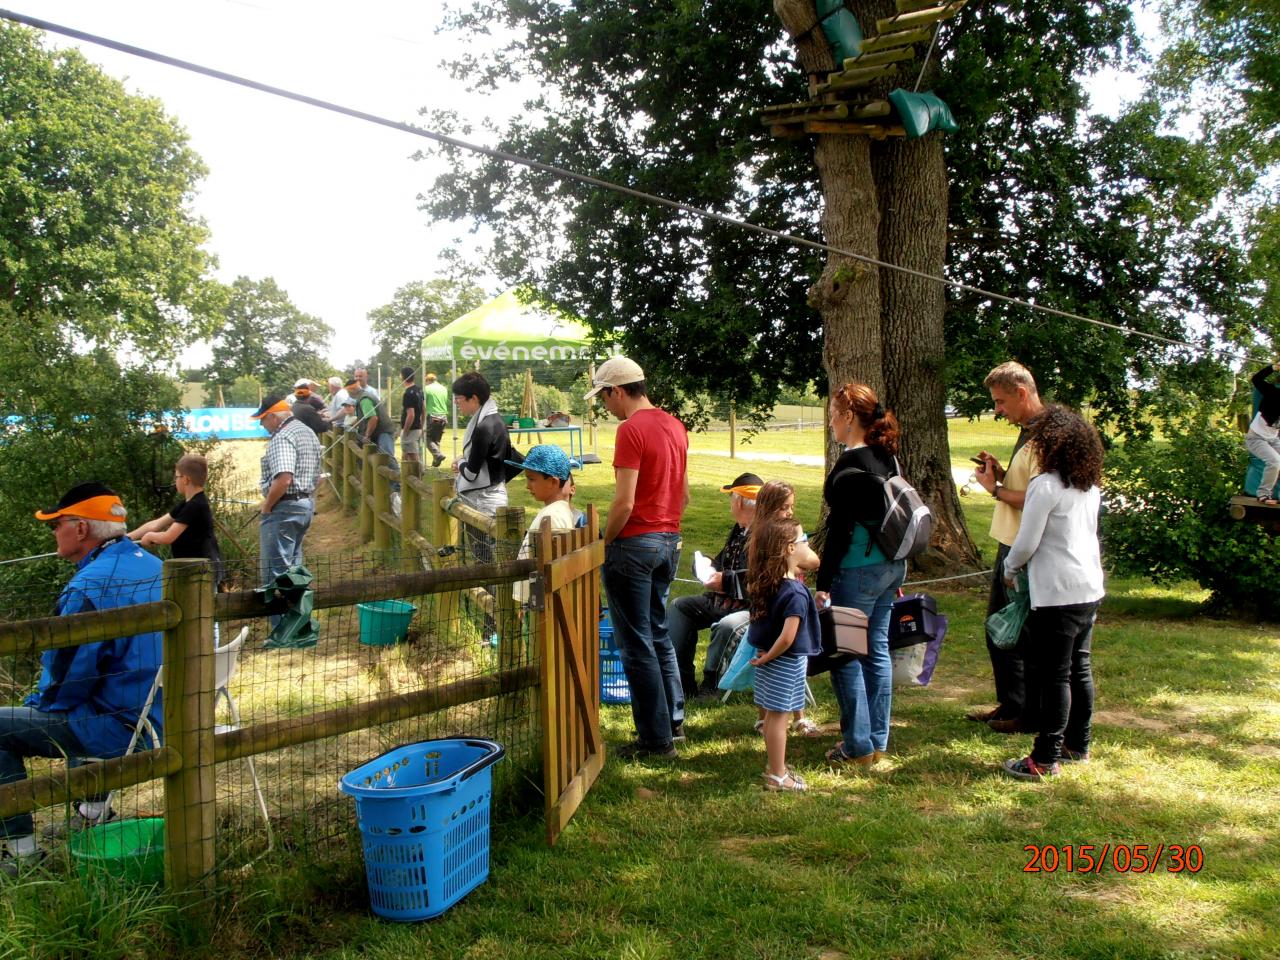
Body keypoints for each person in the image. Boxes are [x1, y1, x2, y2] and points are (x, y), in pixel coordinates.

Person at [1, 483, 163, 874]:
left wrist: (35, 708)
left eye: (56, 524)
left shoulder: (88, 586)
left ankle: (21, 853)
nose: (53, 532)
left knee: (10, 723)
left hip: (122, 728)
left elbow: (64, 683)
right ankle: (92, 814)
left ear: (80, 529)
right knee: (88, 701)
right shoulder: (155, 566)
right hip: (166, 717)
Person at [585, 356, 688, 759]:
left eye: (604, 398)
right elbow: (682, 491)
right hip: (669, 540)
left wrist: (605, 543)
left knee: (636, 644)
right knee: (658, 633)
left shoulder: (631, 430)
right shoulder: (674, 424)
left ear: (618, 391)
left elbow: (624, 503)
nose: (605, 407)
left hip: (635, 544)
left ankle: (655, 741)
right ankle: (673, 723)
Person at [1000, 405, 1105, 780]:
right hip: (1088, 586)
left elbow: (1026, 542)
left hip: (1058, 593)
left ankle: (1044, 758)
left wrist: (1010, 568)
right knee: (1080, 668)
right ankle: (1078, 743)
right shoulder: (1088, 485)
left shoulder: (1045, 486)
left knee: (1054, 675)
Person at [816, 382, 907, 768]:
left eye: (834, 416)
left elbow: (839, 532)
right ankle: (876, 739)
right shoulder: (887, 458)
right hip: (890, 565)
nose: (831, 423)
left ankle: (857, 746)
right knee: (878, 650)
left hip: (857, 570)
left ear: (849, 416)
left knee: (846, 654)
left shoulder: (851, 466)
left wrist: (822, 584)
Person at [969, 361, 1046, 733]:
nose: (998, 410)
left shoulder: (1046, 435)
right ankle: (1012, 703)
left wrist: (995, 491)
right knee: (998, 628)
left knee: (1018, 632)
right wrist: (1000, 475)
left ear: (1021, 392)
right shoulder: (1027, 431)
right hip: (1008, 542)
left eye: (1001, 402)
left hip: (1023, 548)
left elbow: (1039, 495)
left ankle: (1026, 711)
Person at [667, 471, 760, 700]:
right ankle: (681, 681)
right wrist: (707, 564)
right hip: (722, 601)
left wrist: (725, 581)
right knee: (680, 607)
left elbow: (763, 579)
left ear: (739, 501)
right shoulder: (740, 529)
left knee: (728, 625)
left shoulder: (766, 533)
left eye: (731, 498)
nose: (730, 504)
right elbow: (723, 562)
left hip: (753, 609)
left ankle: (712, 685)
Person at [746, 516, 823, 792]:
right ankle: (779, 775)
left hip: (767, 658)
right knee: (780, 718)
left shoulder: (766, 583)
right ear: (790, 549)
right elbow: (789, 636)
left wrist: (765, 656)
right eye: (803, 540)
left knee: (771, 717)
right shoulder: (796, 592)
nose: (807, 545)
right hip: (783, 662)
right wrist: (769, 657)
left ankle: (774, 767)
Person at [251, 396, 322, 595]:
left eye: (262, 419)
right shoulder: (307, 432)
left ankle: (282, 624)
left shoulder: (282, 437)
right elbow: (318, 478)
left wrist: (267, 506)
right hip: (305, 504)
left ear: (272, 417)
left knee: (276, 578)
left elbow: (284, 479)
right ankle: (297, 622)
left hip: (284, 509)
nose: (261, 425)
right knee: (293, 572)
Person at [127, 454, 225, 591]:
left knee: (201, 608)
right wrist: (127, 537)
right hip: (191, 569)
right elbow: (156, 524)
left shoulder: (196, 505)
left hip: (202, 570)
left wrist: (150, 536)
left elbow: (168, 536)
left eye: (177, 476)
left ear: (185, 479)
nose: (175, 480)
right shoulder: (187, 504)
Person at [505, 444, 581, 605]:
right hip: (537, 602)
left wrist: (532, 604)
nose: (527, 486)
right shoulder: (554, 511)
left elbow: (550, 570)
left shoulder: (552, 517)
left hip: (540, 605)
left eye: (532, 479)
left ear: (553, 481)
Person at [451, 371, 512, 523]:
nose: (455, 403)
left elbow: (471, 474)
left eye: (458, 399)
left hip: (483, 503)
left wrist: (459, 462)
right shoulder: (495, 419)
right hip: (494, 495)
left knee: (483, 547)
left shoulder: (483, 427)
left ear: (474, 398)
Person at [349, 378, 400, 502]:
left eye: (348, 391)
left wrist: (366, 435)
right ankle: (388, 487)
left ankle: (398, 486)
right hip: (380, 431)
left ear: (352, 389)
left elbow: (373, 418)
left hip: (383, 431)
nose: (348, 394)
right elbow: (364, 417)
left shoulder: (364, 399)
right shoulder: (363, 397)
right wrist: (353, 425)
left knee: (387, 456)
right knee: (381, 459)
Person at [1245, 359, 1280, 504]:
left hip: (1273, 439)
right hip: (1256, 438)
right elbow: (1256, 379)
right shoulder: (1272, 392)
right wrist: (1273, 367)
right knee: (1275, 461)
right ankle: (1263, 494)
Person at [423, 371, 450, 468]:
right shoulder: (444, 389)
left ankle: (438, 455)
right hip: (443, 416)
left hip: (433, 416)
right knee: (436, 440)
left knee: (426, 438)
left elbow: (424, 405)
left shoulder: (426, 389)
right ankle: (435, 464)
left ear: (427, 380)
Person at [400, 366, 425, 464]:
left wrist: (405, 431)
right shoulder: (419, 390)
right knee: (407, 454)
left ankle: (417, 474)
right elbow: (424, 409)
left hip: (411, 429)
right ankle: (407, 476)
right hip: (417, 427)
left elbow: (411, 415)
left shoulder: (408, 394)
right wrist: (421, 426)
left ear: (402, 377)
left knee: (412, 456)